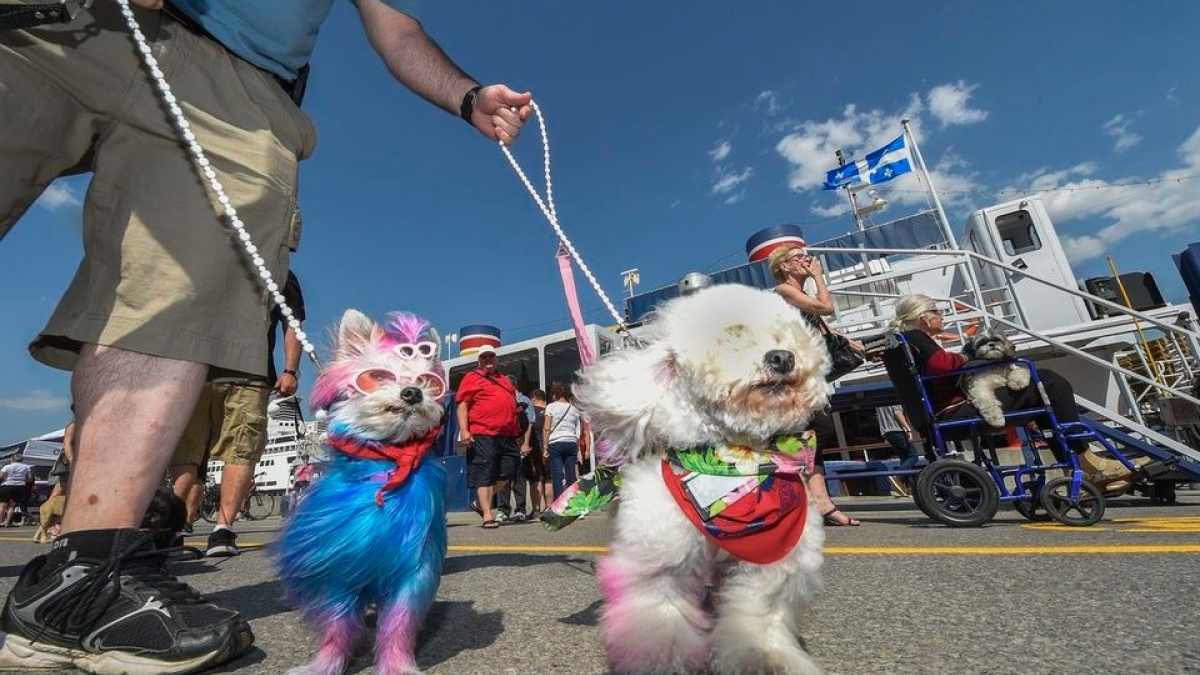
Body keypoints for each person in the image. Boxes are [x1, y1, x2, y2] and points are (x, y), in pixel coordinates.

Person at [0, 2, 530, 670]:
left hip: (236, 83)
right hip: (52, 19)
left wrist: (469, 95)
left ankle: (82, 574)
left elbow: (394, 23)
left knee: (176, 300)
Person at [889, 294, 1134, 489]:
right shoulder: (915, 336)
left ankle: (1078, 466)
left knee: (1043, 406)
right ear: (923, 317)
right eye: (936, 311)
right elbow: (941, 365)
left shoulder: (904, 340)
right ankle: (1084, 459)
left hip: (944, 415)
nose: (941, 315)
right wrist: (970, 355)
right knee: (1048, 381)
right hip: (956, 414)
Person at [169, 270, 307, 557]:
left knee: (243, 446)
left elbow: (292, 321)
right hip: (195, 367)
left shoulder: (279, 269)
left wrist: (290, 369)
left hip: (250, 371)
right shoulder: (207, 256)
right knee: (185, 449)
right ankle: (172, 526)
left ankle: (223, 528)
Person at [769, 243, 865, 526]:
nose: (806, 261)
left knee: (814, 436)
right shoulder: (783, 292)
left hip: (807, 374)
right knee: (815, 431)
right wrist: (819, 277)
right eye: (798, 258)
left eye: (806, 256)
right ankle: (791, 490)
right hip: (790, 376)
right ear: (784, 267)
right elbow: (826, 307)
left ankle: (822, 505)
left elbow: (822, 325)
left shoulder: (799, 295)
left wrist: (846, 341)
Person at [457, 346, 522, 529]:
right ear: (479, 360)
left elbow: (511, 405)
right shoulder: (472, 377)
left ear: (496, 359)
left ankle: (479, 503)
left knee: (507, 472)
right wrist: (464, 430)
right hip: (483, 432)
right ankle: (487, 514)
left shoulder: (504, 379)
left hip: (508, 435)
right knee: (485, 473)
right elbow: (462, 404)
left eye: (491, 356)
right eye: (484, 357)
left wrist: (517, 431)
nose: (488, 360)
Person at [497, 374, 535, 522]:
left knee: (519, 478)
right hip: (504, 443)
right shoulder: (502, 400)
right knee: (503, 477)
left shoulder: (523, 401)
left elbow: (530, 422)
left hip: (519, 444)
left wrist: (525, 443)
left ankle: (520, 510)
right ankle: (503, 510)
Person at [544, 381, 584, 499]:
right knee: (571, 474)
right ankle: (572, 503)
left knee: (557, 475)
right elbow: (578, 430)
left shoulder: (551, 407)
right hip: (571, 441)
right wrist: (577, 446)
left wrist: (545, 447)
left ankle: (559, 503)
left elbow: (547, 428)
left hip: (556, 442)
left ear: (554, 394)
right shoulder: (574, 409)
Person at [875, 405, 920, 496]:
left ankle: (909, 488)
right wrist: (908, 429)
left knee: (904, 459)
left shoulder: (878, 402)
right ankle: (898, 476)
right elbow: (898, 413)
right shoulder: (893, 398)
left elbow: (878, 416)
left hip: (887, 433)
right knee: (913, 456)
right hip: (897, 431)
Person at [527, 389, 550, 514]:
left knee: (536, 479)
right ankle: (549, 508)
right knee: (549, 479)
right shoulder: (550, 412)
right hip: (549, 448)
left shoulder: (531, 413)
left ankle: (536, 509)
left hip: (534, 449)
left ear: (534, 398)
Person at [0, 456, 35, 528]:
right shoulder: (26, 467)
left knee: (3, 505)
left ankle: (0, 521)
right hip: (20, 486)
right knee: (12, 505)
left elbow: (1, 476)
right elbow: (30, 479)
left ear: (12, 460)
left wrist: (7, 478)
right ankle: (7, 523)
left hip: (7, 485)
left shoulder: (7, 466)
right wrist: (21, 480)